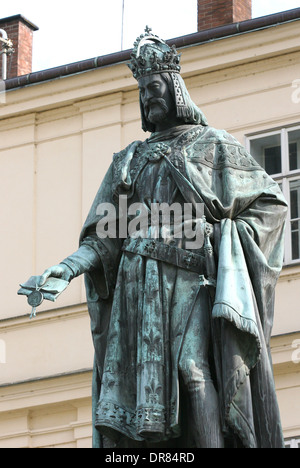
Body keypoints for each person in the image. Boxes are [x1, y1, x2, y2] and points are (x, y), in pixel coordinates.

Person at [36, 28, 287, 448]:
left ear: (174, 89)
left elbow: (271, 206)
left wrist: (219, 234)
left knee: (192, 372)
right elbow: (104, 238)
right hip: (137, 292)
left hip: (191, 282)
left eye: (154, 87)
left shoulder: (214, 146)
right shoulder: (128, 162)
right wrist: (65, 268)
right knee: (133, 404)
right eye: (142, 91)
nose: (148, 97)